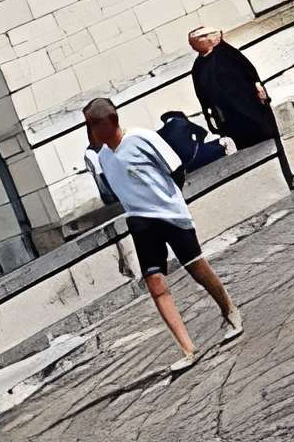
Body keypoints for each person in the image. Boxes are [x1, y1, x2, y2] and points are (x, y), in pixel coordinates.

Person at [83, 96, 240, 374]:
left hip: (170, 214)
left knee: (197, 268)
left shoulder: (142, 138)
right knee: (155, 283)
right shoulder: (103, 158)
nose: (90, 133)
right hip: (140, 222)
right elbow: (114, 192)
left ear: (108, 123)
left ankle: (229, 310)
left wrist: (168, 199)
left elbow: (175, 168)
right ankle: (187, 349)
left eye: (92, 126)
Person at [189, 28, 290, 185]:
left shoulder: (227, 53)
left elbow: (250, 72)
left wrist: (259, 90)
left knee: (267, 139)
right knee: (247, 148)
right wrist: (210, 117)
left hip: (251, 108)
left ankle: (285, 176)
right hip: (229, 117)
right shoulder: (198, 67)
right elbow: (202, 95)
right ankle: (266, 181)